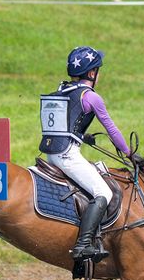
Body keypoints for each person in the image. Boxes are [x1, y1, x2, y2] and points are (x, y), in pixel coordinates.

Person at [39, 46, 133, 262]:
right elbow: (112, 130)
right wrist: (129, 154)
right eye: (98, 70)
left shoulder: (62, 90)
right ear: (91, 73)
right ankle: (83, 245)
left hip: (52, 154)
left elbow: (63, 124)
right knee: (104, 192)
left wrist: (81, 135)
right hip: (67, 156)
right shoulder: (91, 97)